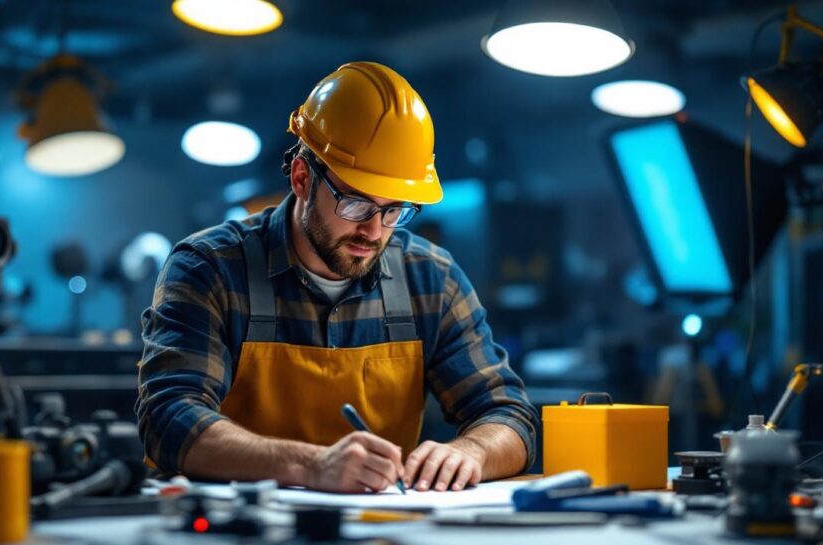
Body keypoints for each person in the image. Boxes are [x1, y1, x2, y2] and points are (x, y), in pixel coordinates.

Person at [137, 62, 538, 493]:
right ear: (302, 178)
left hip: (380, 532)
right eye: (357, 205)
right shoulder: (210, 268)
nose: (374, 230)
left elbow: (510, 416)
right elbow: (169, 419)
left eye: (394, 210)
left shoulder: (432, 280)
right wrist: (310, 465)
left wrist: (471, 451)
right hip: (232, 536)